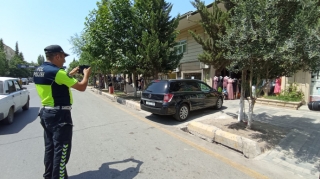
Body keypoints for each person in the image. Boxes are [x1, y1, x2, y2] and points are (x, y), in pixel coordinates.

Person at [33, 45, 91, 179]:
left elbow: (55, 82)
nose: (64, 61)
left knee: (50, 149)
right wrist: (86, 75)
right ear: (57, 56)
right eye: (63, 57)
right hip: (60, 117)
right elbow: (81, 87)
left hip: (46, 114)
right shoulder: (58, 73)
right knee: (61, 152)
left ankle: (48, 176)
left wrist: (70, 74)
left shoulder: (39, 70)